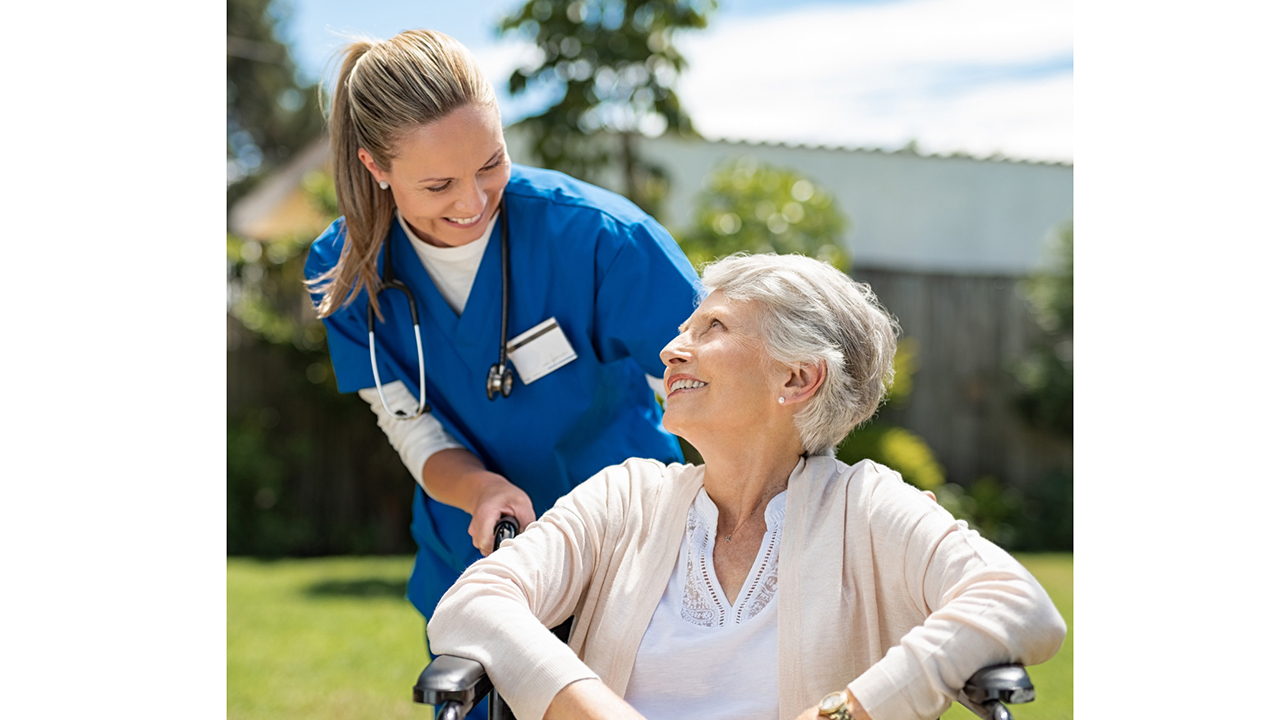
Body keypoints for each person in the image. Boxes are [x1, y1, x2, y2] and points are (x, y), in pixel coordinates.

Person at [428, 253, 1067, 720]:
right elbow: (471, 605)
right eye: (684, 330)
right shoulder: (626, 497)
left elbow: (1018, 603)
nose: (673, 350)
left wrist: (848, 712)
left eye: (712, 329)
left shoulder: (866, 506)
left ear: (796, 380)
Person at [303, 28, 700, 642]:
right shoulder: (345, 273)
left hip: (627, 561)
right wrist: (481, 489)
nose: (474, 200)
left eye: (491, 163)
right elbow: (411, 426)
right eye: (438, 186)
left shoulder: (603, 240)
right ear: (375, 166)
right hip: (477, 569)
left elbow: (715, 395)